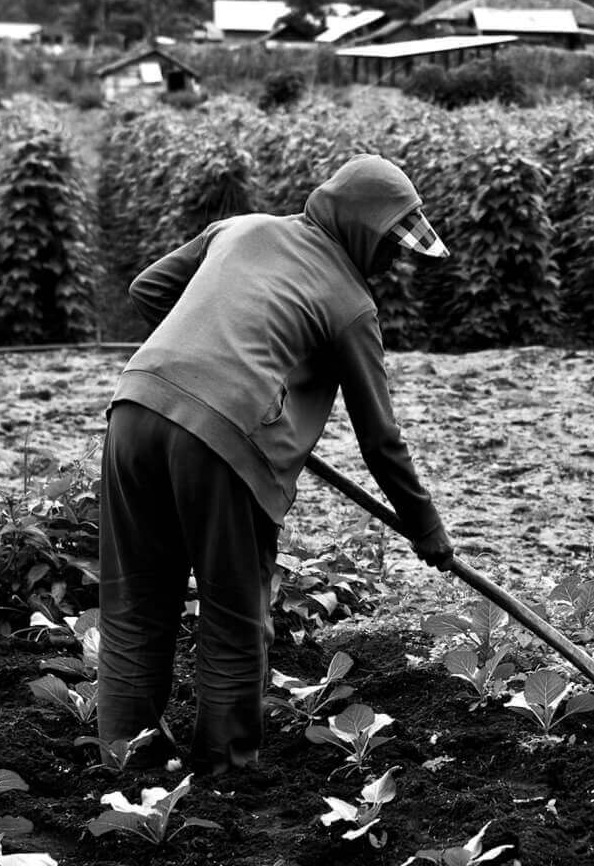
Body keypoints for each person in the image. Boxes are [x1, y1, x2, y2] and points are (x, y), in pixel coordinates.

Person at [97, 154, 455, 776]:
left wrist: (211, 364)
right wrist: (427, 529)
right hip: (225, 447)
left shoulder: (242, 228)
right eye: (390, 245)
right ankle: (224, 772)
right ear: (360, 228)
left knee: (134, 602)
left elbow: (148, 290)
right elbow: (381, 438)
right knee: (234, 617)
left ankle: (127, 763)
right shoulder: (350, 304)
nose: (394, 261)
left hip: (136, 408)